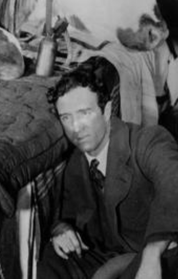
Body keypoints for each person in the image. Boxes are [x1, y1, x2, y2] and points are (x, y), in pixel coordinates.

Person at [37, 64, 178, 279]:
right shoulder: (75, 162)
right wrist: (61, 230)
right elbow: (67, 215)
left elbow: (174, 185)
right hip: (108, 255)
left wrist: (152, 254)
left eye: (84, 113)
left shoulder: (147, 141)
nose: (76, 127)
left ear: (107, 111)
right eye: (66, 117)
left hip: (158, 249)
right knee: (50, 260)